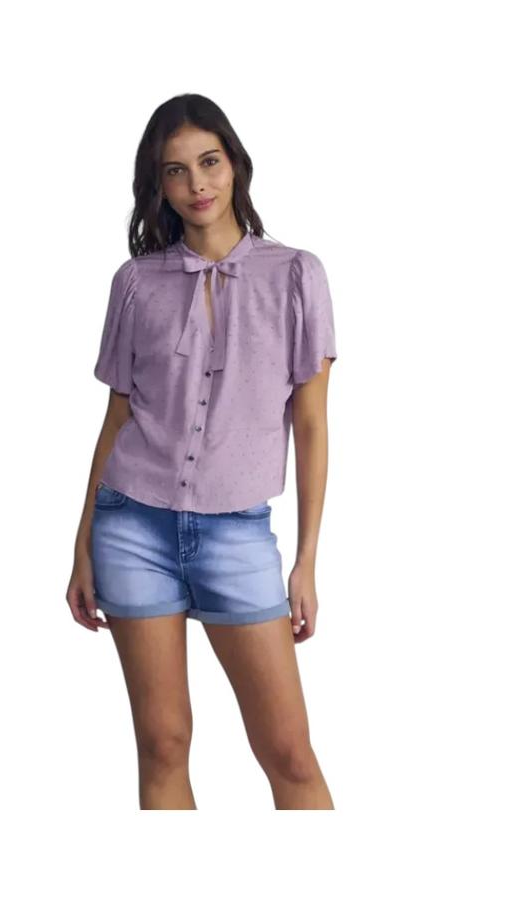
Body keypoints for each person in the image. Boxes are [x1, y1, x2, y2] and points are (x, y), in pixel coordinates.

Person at [67, 94, 337, 810]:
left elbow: (312, 424)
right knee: (162, 744)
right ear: (158, 185)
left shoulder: (296, 276)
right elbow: (117, 416)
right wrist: (83, 545)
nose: (197, 185)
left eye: (209, 162)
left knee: (289, 754)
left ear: (235, 164)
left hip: (237, 536)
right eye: (176, 171)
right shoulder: (135, 283)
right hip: (131, 527)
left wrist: (306, 560)